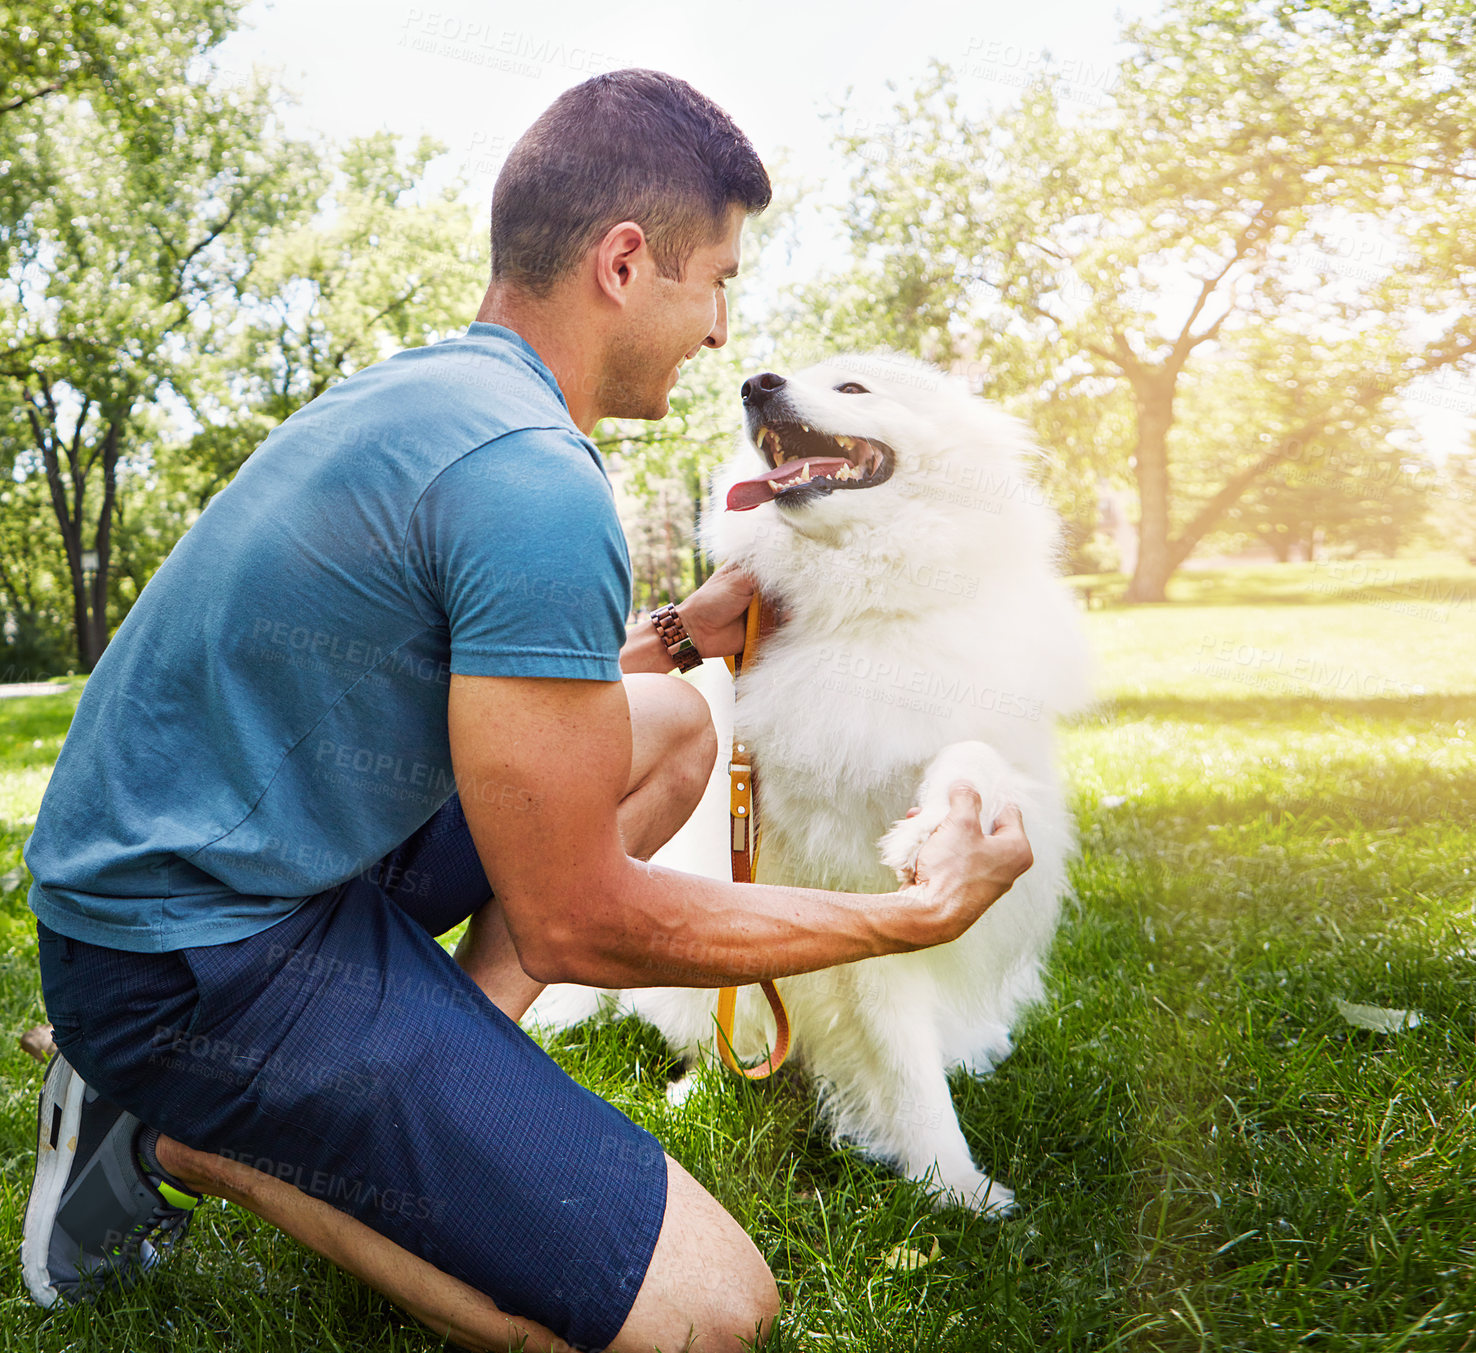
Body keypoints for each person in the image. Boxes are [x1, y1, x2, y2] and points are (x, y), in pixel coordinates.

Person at [20, 69, 1035, 1353]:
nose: (722, 329)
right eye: (714, 277)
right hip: (188, 968)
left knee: (670, 723)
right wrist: (912, 915)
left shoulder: (443, 395)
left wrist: (677, 636)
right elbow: (581, 920)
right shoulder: (535, 483)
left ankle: (426, 1072)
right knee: (708, 1320)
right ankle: (179, 1128)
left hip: (212, 885)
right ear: (625, 262)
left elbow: (504, 687)